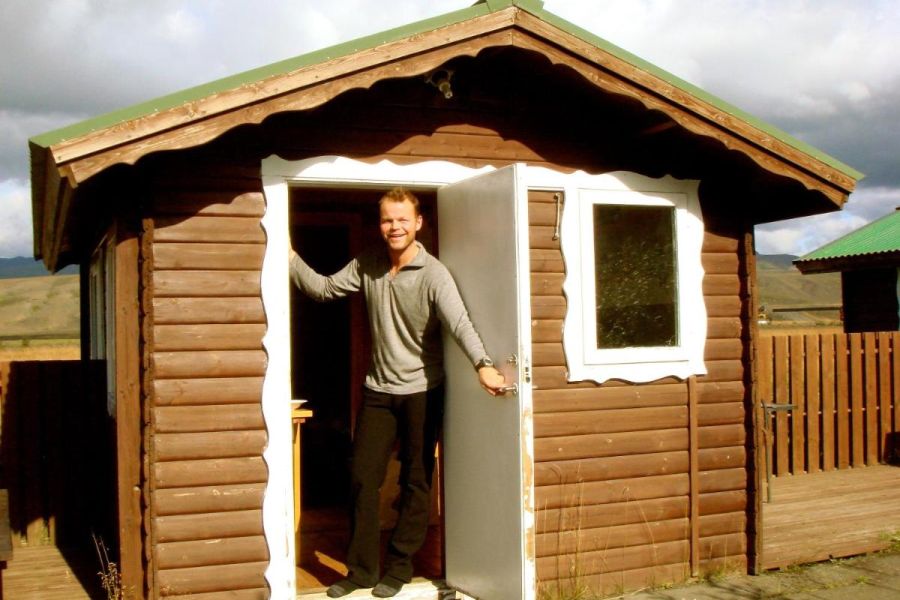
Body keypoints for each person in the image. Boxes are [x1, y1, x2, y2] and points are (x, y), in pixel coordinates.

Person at [289, 187, 507, 598]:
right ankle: (361, 571)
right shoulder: (368, 263)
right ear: (380, 224)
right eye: (388, 219)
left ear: (418, 223)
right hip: (378, 390)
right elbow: (323, 289)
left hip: (423, 390)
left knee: (415, 480)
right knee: (361, 478)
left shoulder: (434, 273)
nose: (395, 227)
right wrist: (287, 256)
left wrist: (483, 365)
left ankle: (400, 567)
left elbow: (459, 322)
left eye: (403, 219)